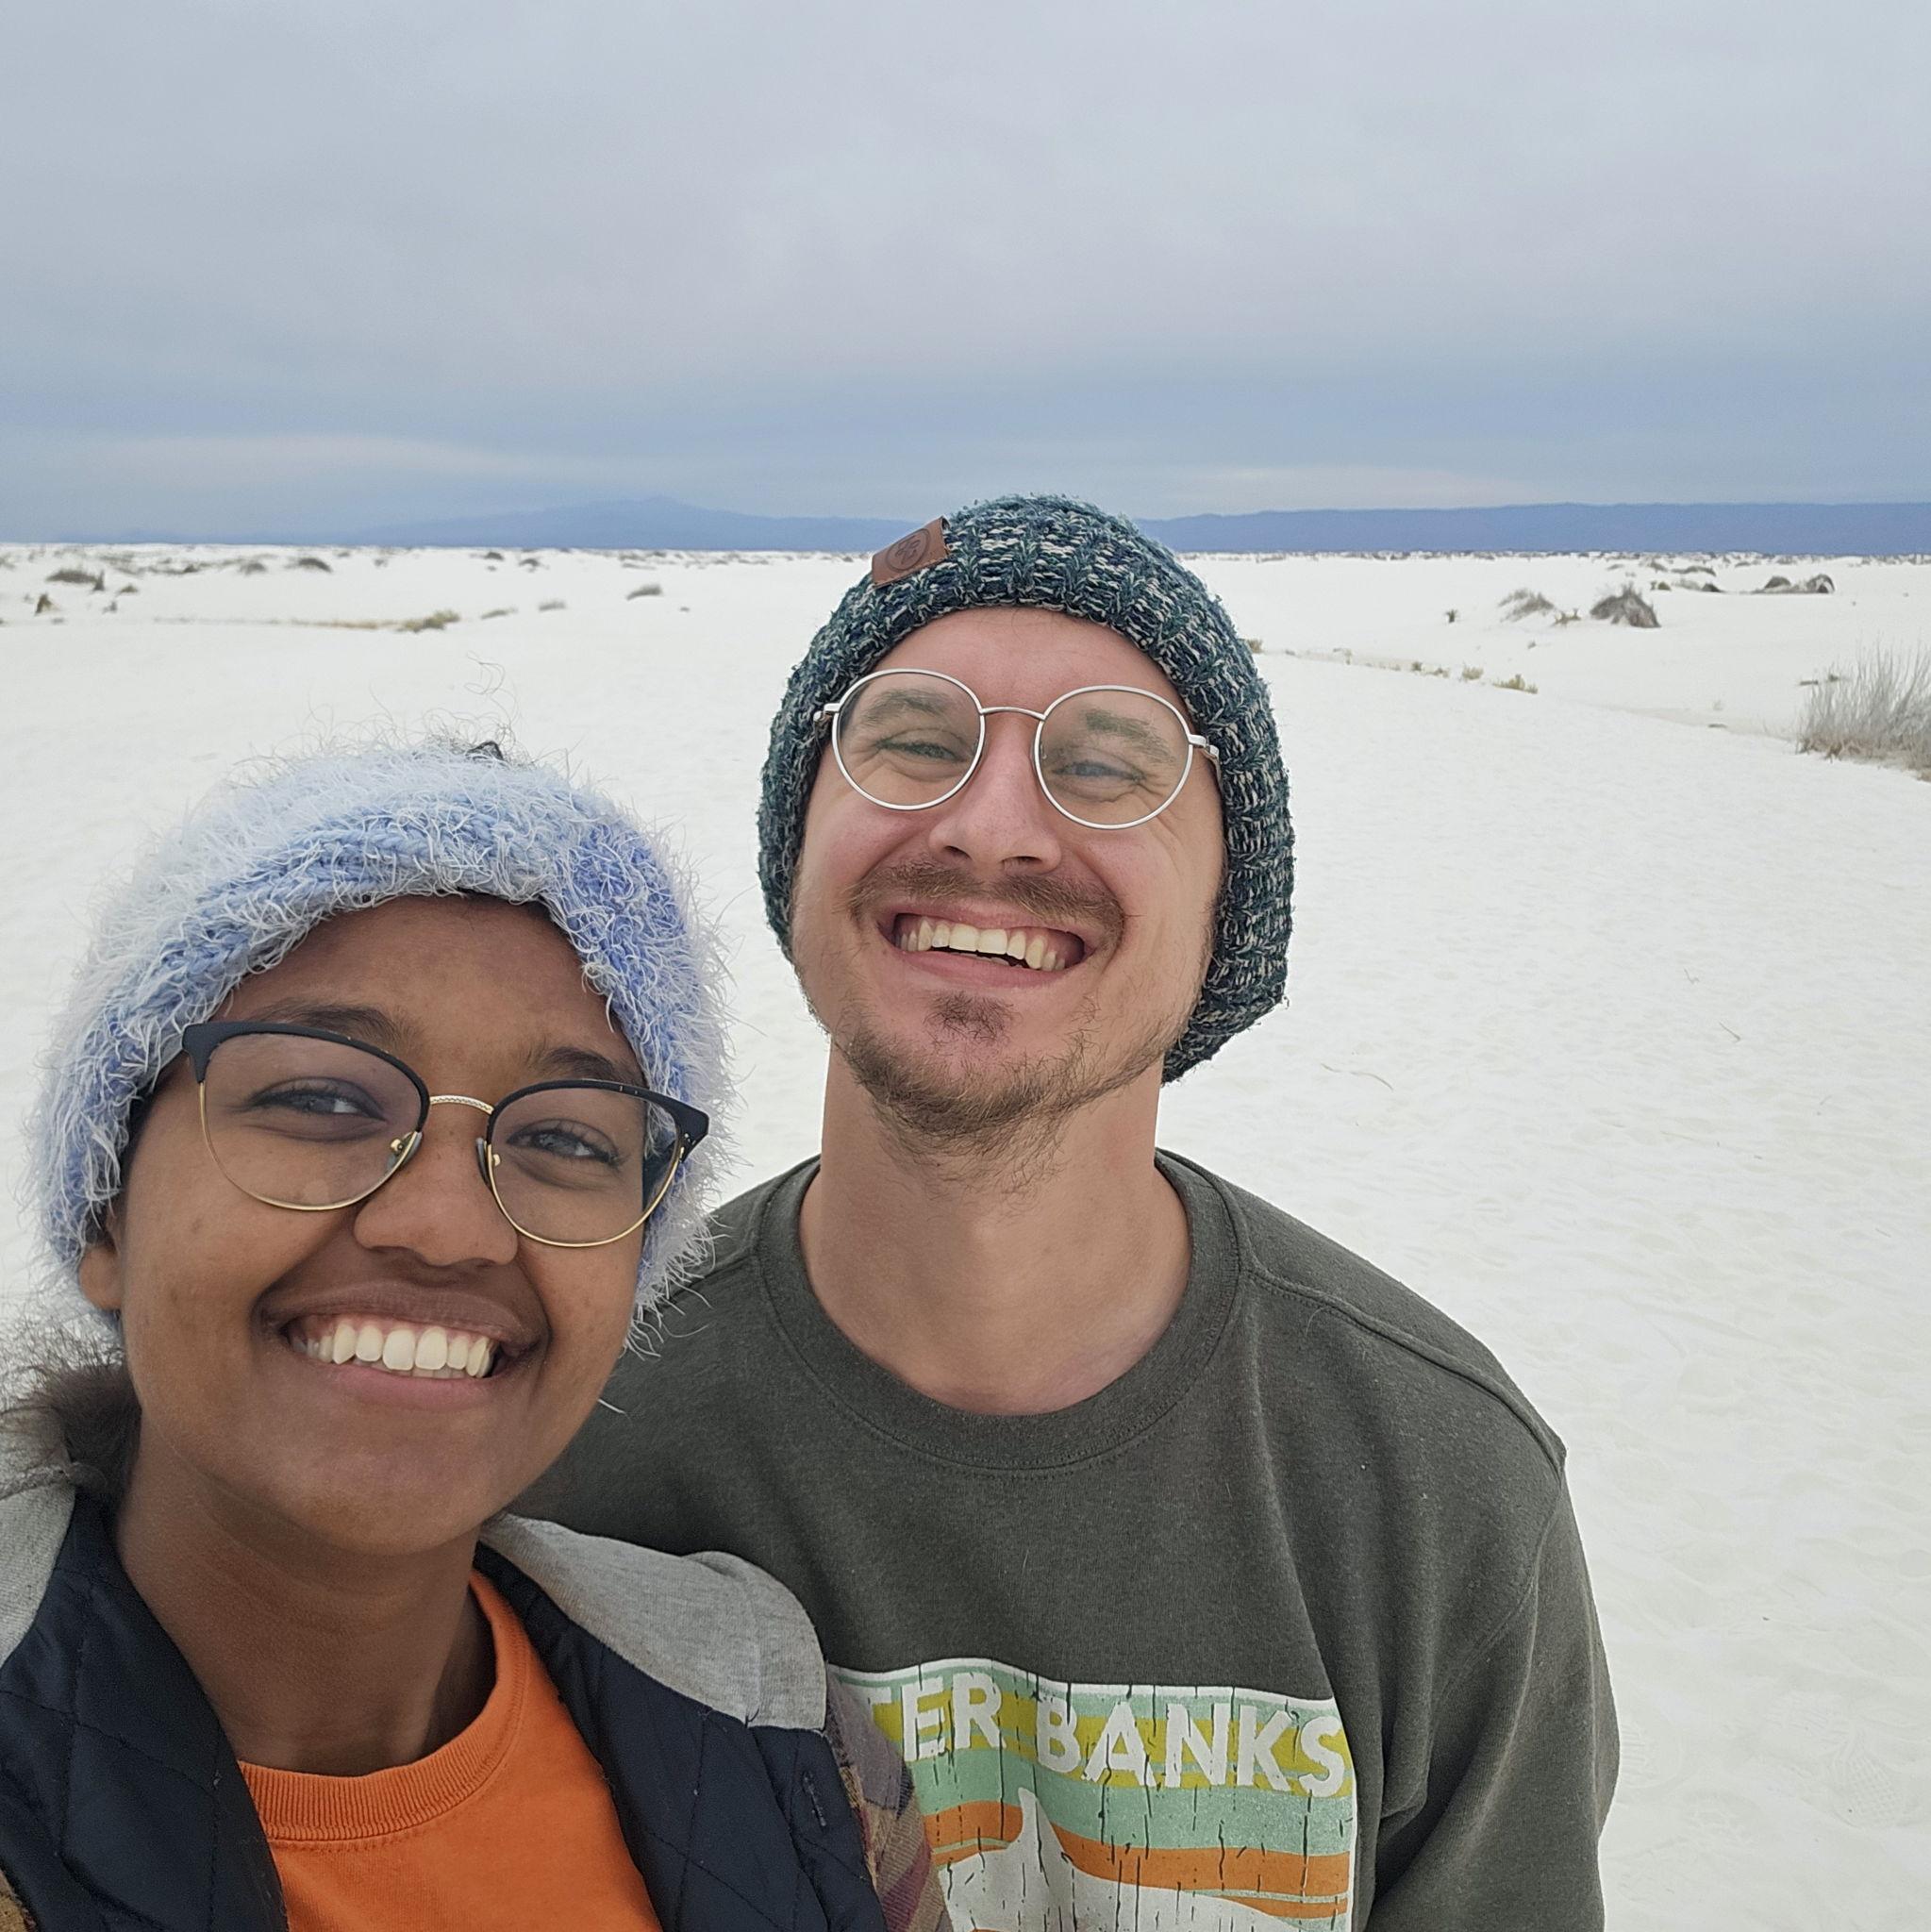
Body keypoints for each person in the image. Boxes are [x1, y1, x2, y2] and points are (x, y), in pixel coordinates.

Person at [527, 495, 1619, 1929]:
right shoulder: (565, 1424)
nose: (989, 827)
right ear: (798, 845)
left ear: (1227, 906)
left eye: (1109, 766)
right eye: (911, 741)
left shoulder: (1435, 1494)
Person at [0, 738, 943, 1932]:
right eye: (320, 1097)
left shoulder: (787, 1735)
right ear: (107, 1211)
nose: (448, 1227)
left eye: (564, 1137)